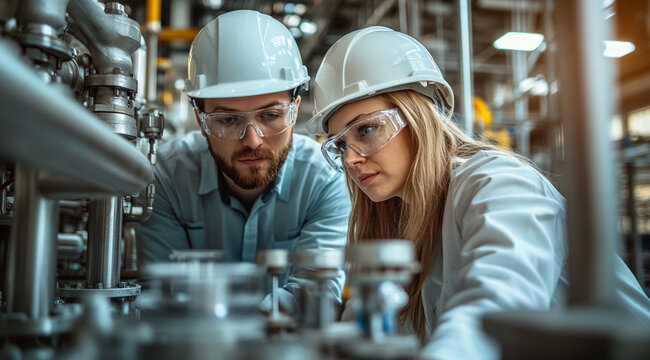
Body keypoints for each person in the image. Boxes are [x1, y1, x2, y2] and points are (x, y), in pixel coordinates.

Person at [306, 26, 650, 359]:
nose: (351, 158)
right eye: (340, 146)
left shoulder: (498, 184)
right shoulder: (396, 223)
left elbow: (492, 309)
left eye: (366, 130)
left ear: (420, 115)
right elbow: (370, 328)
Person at [137, 10, 350, 313]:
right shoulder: (168, 180)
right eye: (227, 119)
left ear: (295, 108)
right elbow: (164, 299)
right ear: (200, 120)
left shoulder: (324, 180)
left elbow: (315, 297)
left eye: (270, 116)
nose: (252, 140)